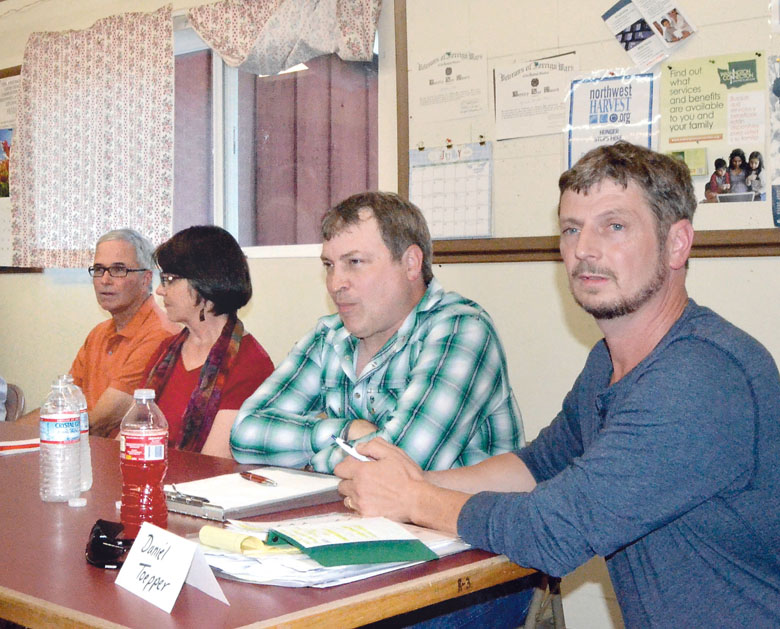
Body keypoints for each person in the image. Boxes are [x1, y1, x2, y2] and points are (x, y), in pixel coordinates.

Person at [336, 143, 780, 627]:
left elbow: (554, 531)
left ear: (677, 243)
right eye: (571, 229)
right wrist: (418, 482)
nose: (584, 249)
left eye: (614, 226)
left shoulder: (701, 377)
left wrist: (414, 500)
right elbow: (539, 465)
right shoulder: (608, 361)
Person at [230, 191, 525, 474]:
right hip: (355, 508)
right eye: (329, 265)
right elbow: (245, 434)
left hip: (457, 510)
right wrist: (346, 430)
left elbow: (398, 462)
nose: (335, 283)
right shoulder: (330, 336)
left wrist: (312, 461)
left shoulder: (462, 330)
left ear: (411, 263)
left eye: (355, 262)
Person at [19, 229, 177, 436]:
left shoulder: (160, 335)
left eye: (118, 270)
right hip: (82, 445)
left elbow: (100, 421)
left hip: (118, 452)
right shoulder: (99, 333)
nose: (105, 280)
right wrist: (11, 434)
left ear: (146, 279)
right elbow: (63, 403)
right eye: (99, 269)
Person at [140, 226, 274, 456]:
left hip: (201, 477)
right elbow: (132, 433)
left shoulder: (251, 364)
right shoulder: (165, 351)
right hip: (154, 471)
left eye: (169, 279)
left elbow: (212, 462)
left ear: (205, 282)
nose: (160, 290)